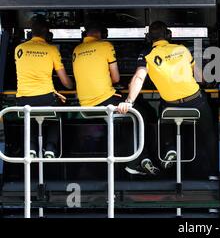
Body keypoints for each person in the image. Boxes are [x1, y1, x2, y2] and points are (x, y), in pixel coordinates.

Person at [117, 21, 218, 179]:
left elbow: (138, 78)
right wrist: (209, 82)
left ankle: (170, 147)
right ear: (169, 35)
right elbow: (200, 77)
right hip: (195, 102)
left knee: (162, 111)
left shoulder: (147, 55)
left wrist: (129, 101)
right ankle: (213, 173)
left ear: (149, 38)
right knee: (209, 133)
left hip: (171, 106)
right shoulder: (182, 49)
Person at [72, 22, 158, 176]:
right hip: (104, 101)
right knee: (142, 113)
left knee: (128, 116)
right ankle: (135, 162)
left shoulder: (76, 49)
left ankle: (137, 157)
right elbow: (116, 78)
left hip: (85, 105)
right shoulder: (105, 46)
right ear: (103, 35)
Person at [15, 14, 73, 158]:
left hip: (23, 100)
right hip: (46, 99)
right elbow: (65, 81)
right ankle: (50, 148)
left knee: (31, 114)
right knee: (58, 110)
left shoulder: (18, 49)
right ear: (47, 33)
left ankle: (31, 148)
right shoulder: (52, 50)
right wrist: (72, 85)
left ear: (30, 33)